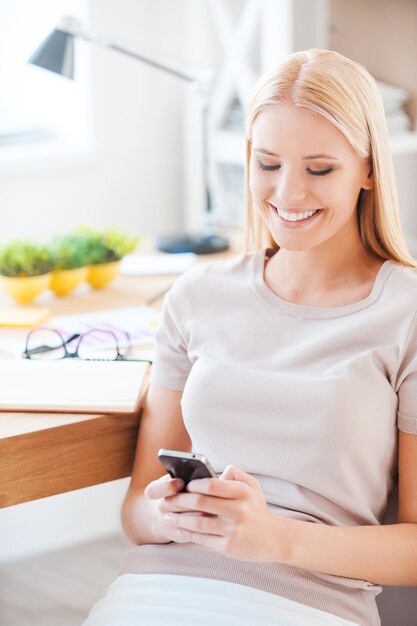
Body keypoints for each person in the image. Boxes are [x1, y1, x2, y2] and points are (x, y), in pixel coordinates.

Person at [83, 49, 417, 626]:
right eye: (267, 163)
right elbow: (136, 509)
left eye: (319, 169)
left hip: (308, 602)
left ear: (367, 168)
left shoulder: (404, 313)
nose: (287, 194)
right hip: (158, 591)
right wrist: (167, 516)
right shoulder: (196, 296)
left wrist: (275, 540)